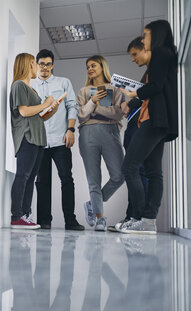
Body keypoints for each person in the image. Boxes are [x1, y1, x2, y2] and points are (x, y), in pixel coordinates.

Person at [119, 20, 178, 234]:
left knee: (129, 167)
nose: (144, 40)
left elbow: (155, 86)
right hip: (159, 120)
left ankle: (139, 217)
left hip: (155, 119)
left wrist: (135, 93)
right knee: (153, 172)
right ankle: (148, 220)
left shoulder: (161, 53)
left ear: (157, 33)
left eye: (146, 35)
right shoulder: (167, 54)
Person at [31, 49, 84, 231]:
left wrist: (70, 129)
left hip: (61, 139)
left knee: (66, 179)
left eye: (48, 64)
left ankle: (70, 220)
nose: (45, 67)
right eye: (41, 64)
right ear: (37, 65)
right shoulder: (30, 85)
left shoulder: (63, 82)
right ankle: (44, 221)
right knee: (42, 182)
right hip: (39, 141)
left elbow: (72, 106)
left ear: (52, 65)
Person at [9, 53, 60, 229]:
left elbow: (38, 117)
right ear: (27, 64)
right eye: (34, 64)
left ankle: (25, 214)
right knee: (23, 175)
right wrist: (45, 104)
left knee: (31, 178)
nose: (37, 67)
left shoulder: (32, 89)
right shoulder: (18, 86)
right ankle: (16, 216)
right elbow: (23, 112)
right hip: (26, 136)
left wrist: (52, 109)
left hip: (38, 138)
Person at [77, 55, 125, 231]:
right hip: (88, 133)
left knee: (120, 175)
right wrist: (92, 100)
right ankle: (100, 218)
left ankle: (92, 203)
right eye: (88, 66)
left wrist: (95, 107)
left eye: (93, 65)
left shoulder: (115, 89)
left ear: (102, 67)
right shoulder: (83, 91)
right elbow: (82, 115)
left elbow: (118, 113)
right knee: (93, 179)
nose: (90, 69)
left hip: (110, 132)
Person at [108, 37, 151, 232]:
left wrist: (129, 102)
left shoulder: (156, 72)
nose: (132, 59)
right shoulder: (149, 73)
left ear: (146, 48)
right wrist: (129, 103)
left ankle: (138, 218)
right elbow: (142, 95)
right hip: (135, 123)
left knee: (137, 171)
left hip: (142, 126)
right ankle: (131, 216)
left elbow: (146, 95)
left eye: (134, 54)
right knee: (135, 172)